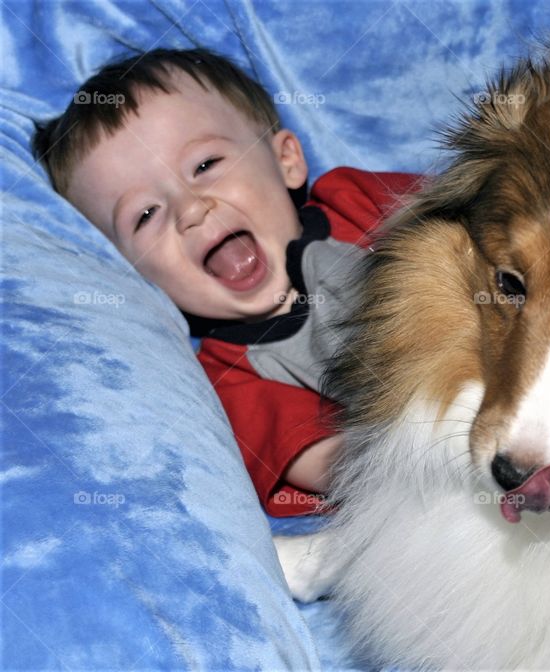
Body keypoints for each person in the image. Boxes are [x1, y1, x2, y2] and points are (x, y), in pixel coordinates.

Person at [32, 48, 419, 516]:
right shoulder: (230, 380)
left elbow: (493, 222)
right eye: (146, 215)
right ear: (132, 274)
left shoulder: (358, 201)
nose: (191, 210)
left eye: (204, 165)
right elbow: (335, 465)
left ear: (286, 161)